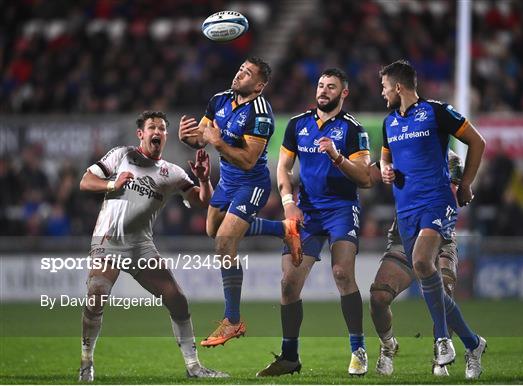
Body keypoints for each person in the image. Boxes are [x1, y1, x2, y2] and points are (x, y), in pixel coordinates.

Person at [78, 111, 227, 381]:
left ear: (166, 136)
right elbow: (86, 182)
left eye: (161, 127)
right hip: (108, 241)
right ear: (141, 134)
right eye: (151, 127)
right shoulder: (122, 155)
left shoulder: (172, 172)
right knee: (96, 295)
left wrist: (204, 179)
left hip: (141, 247)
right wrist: (112, 182)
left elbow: (201, 202)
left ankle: (194, 367)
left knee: (178, 300)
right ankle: (86, 363)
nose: (157, 131)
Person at [178, 57, 301, 347]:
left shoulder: (260, 114)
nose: (239, 74)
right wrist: (189, 139)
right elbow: (203, 137)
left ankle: (232, 321)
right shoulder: (219, 100)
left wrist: (218, 142)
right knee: (212, 230)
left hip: (251, 183)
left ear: (259, 85)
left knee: (223, 242)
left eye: (247, 73)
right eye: (240, 69)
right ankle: (284, 229)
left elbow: (247, 161)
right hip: (227, 182)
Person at [256, 68, 372, 377]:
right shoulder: (297, 125)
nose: (323, 90)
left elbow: (365, 178)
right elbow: (282, 168)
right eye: (321, 85)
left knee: (342, 273)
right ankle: (290, 357)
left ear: (343, 93)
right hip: (305, 212)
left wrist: (337, 157)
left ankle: (358, 349)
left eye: (331, 86)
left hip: (341, 209)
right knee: (288, 283)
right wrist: (288, 203)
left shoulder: (353, 130)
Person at [379, 60, 487, 379]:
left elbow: (477, 142)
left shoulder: (437, 111)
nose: (382, 92)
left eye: (384, 86)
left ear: (398, 87)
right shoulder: (389, 123)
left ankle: (442, 341)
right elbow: (386, 160)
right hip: (406, 208)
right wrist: (385, 170)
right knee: (430, 280)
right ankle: (472, 342)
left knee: (423, 262)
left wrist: (465, 183)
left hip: (436, 201)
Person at [369, 151, 463, 377]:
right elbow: (370, 175)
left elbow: (453, 195)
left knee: (445, 291)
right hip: (404, 236)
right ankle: (388, 345)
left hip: (440, 236)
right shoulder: (400, 150)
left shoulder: (450, 159)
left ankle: (441, 355)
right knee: (379, 296)